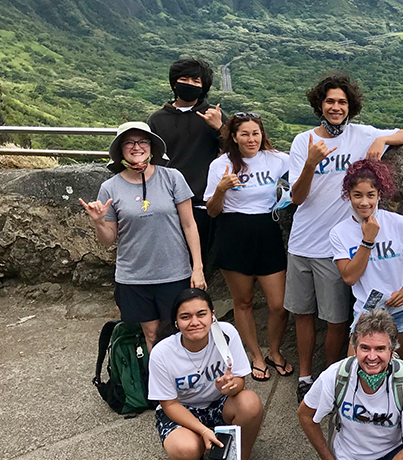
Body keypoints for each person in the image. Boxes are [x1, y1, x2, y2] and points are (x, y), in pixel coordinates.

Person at [286, 73, 403, 402]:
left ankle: (332, 377)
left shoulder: (362, 134)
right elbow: (297, 197)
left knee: (334, 319)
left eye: (342, 102)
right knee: (302, 314)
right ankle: (305, 375)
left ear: (350, 106)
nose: (335, 107)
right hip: (303, 241)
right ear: (320, 103)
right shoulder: (304, 142)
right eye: (330, 101)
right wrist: (311, 164)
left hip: (339, 246)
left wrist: (383, 141)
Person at [79, 122, 206, 351]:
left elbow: (189, 224)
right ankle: (157, 385)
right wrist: (98, 222)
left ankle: (185, 382)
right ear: (120, 150)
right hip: (134, 277)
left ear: (151, 146)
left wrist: (197, 267)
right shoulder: (110, 187)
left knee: (177, 331)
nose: (136, 147)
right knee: (151, 334)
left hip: (174, 272)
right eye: (129, 142)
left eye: (142, 141)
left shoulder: (172, 177)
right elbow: (108, 240)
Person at [203, 112, 292, 382]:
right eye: (244, 134)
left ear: (262, 134)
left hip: (267, 231)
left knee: (279, 304)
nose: (251, 139)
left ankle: (274, 352)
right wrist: (221, 189)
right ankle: (255, 355)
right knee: (243, 302)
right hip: (233, 233)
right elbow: (212, 211)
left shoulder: (277, 159)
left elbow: (306, 167)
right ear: (233, 137)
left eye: (256, 133)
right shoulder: (221, 165)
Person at [298, 308, 403, 460]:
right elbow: (305, 414)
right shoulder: (337, 374)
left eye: (380, 348)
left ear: (392, 350)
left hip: (392, 454)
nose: (372, 357)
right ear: (355, 349)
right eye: (365, 348)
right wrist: (327, 457)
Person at [149, 288, 263, 460]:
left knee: (250, 403)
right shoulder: (162, 353)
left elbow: (240, 380)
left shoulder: (226, 333)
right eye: (185, 317)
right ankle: (199, 445)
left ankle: (240, 456)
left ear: (212, 315)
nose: (195, 322)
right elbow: (169, 404)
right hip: (182, 408)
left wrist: (229, 387)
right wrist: (202, 430)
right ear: (176, 322)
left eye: (201, 314)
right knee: (185, 449)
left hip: (219, 402)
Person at [330, 159, 403, 362]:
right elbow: (349, 276)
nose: (364, 202)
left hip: (402, 309)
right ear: (348, 196)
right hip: (367, 311)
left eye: (370, 195)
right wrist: (368, 240)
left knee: (399, 367)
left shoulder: (399, 224)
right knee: (356, 366)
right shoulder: (340, 232)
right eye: (357, 195)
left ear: (379, 195)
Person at [147, 58, 228, 266]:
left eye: (196, 81)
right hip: (165, 200)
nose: (190, 84)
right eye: (184, 79)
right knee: (167, 259)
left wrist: (219, 127)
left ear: (204, 87)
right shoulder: (157, 119)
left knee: (199, 261)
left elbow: (236, 150)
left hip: (201, 202)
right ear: (174, 83)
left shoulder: (214, 115)